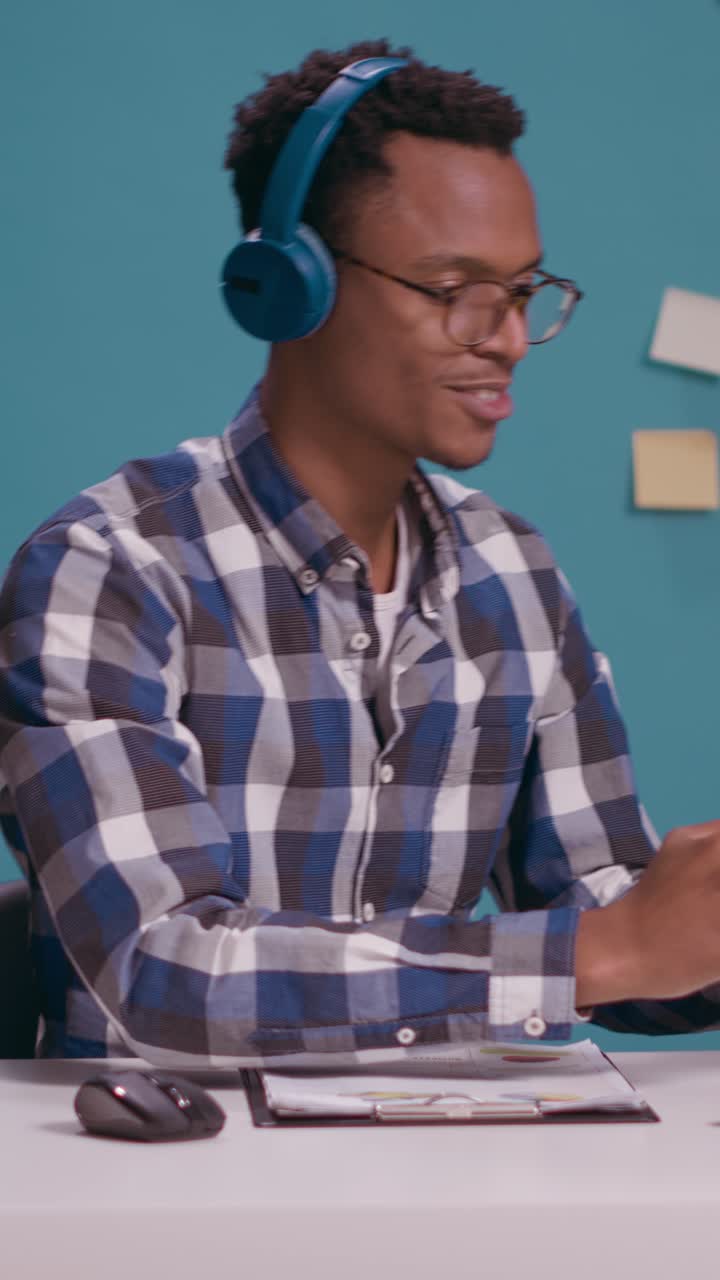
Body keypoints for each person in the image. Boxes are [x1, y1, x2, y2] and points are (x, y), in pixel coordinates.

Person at [1, 39, 720, 1064]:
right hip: (171, 1154)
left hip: (434, 1144)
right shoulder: (106, 570)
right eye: (455, 287)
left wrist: (682, 933)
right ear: (291, 286)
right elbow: (160, 968)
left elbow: (610, 915)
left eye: (523, 291)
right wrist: (596, 954)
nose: (506, 337)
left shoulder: (514, 573)